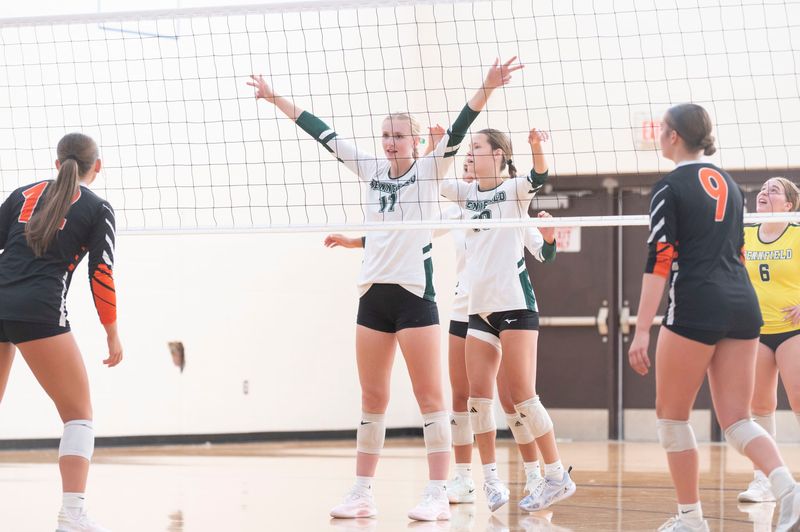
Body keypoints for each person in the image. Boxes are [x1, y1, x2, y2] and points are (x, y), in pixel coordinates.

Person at [249, 57, 523, 522]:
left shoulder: (431, 171)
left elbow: (460, 126)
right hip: (372, 296)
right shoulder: (372, 169)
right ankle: (362, 492)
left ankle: (438, 492)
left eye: (399, 136)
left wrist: (487, 87)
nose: (391, 142)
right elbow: (321, 132)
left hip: (415, 296)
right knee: (372, 399)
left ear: (415, 142)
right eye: (386, 135)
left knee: (430, 399)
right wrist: (275, 98)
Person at [627, 103, 800, 532]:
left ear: (672, 137)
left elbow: (661, 259)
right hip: (743, 304)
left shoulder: (669, 187)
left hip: (697, 302)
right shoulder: (731, 184)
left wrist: (641, 329)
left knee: (671, 417)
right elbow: (739, 253)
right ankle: (790, 492)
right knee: (739, 419)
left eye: (662, 130)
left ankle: (691, 519)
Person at [441, 127, 575, 513]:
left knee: (521, 396)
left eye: (477, 147)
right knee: (477, 400)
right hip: (477, 310)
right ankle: (491, 481)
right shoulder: (466, 196)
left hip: (515, 305)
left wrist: (535, 147)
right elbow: (435, 178)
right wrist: (435, 146)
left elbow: (539, 176)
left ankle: (553, 475)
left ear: (498, 154)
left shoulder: (515, 191)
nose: (471, 153)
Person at [0, 132, 123, 532]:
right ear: (97, 167)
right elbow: (101, 274)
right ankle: (72, 515)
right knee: (78, 417)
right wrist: (112, 333)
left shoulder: (22, 194)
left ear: (57, 164)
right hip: (39, 311)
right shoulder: (98, 207)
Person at [738, 177, 800, 504]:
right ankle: (764, 481)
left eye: (773, 190)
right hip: (758, 329)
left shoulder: (797, 234)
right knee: (759, 405)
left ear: (789, 205)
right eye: (762, 189)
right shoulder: (746, 234)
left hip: (793, 329)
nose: (764, 192)